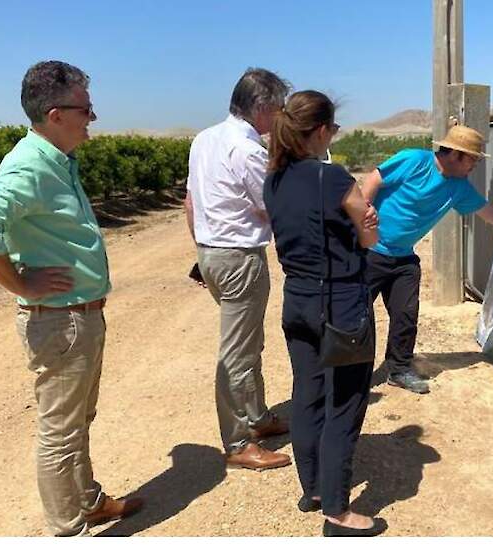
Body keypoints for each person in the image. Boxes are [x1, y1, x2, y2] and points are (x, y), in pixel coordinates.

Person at [0, 60, 143, 536]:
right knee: (60, 430)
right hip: (60, 322)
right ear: (57, 113)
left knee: (79, 418)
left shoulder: (55, 160)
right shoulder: (29, 166)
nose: (93, 119)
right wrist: (22, 285)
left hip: (78, 318)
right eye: (86, 109)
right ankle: (68, 529)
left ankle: (88, 501)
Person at [263, 90, 386, 537]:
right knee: (346, 403)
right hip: (340, 303)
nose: (334, 135)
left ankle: (312, 488)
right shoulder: (331, 178)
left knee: (307, 393)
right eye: (333, 128)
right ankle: (338, 512)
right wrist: (367, 227)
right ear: (319, 131)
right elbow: (369, 235)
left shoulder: (272, 179)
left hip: (296, 299)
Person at [361, 124, 493, 394]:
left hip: (403, 259)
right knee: (356, 316)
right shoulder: (414, 160)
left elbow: (490, 212)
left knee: (406, 316)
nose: (474, 164)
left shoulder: (459, 188)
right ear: (456, 154)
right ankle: (350, 374)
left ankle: (399, 368)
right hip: (369, 253)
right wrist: (363, 217)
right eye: (473, 158)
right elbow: (373, 180)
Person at [184, 68, 292, 470]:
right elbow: (270, 205)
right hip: (239, 259)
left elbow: (191, 202)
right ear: (262, 107)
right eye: (278, 108)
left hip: (213, 254)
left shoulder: (204, 139)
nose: (279, 117)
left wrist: (202, 251)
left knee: (248, 342)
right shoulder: (247, 150)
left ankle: (259, 417)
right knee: (237, 354)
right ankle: (237, 441)